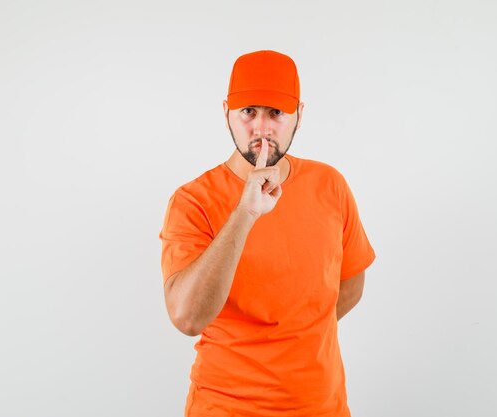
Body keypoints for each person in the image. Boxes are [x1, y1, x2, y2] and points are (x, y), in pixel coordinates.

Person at [159, 49, 376, 417]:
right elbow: (187, 318)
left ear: (299, 116)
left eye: (276, 113)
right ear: (226, 112)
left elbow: (351, 285)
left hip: (322, 407)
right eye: (249, 112)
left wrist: (293, 337)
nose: (262, 128)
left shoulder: (330, 185)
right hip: (225, 408)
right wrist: (245, 212)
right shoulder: (192, 201)